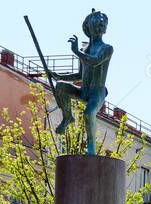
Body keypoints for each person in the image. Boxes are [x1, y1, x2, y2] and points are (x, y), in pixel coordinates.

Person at [48, 9, 113, 155]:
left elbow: (95, 62)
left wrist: (77, 51)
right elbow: (80, 75)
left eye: (103, 24)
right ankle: (67, 117)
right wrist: (59, 77)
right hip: (84, 91)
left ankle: (91, 148)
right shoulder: (86, 49)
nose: (101, 26)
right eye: (97, 23)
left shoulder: (107, 48)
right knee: (61, 87)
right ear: (89, 27)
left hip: (97, 92)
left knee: (89, 113)